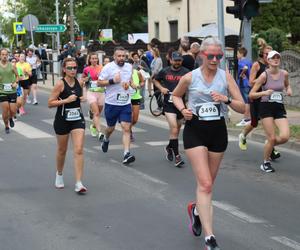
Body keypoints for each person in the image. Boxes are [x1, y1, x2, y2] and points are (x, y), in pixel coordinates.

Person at [172, 37, 245, 250]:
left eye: (218, 56)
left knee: (209, 184)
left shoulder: (226, 77)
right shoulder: (189, 77)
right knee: (204, 184)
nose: (214, 59)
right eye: (210, 55)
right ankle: (210, 237)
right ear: (202, 55)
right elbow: (175, 96)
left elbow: (243, 108)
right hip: (195, 131)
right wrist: (183, 109)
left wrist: (226, 100)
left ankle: (196, 210)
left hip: (217, 132)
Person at [48, 57, 87, 193]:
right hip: (62, 120)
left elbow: (81, 97)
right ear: (64, 69)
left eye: (74, 67)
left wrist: (83, 97)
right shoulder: (60, 84)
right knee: (62, 150)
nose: (72, 70)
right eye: (69, 68)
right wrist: (65, 100)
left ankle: (79, 183)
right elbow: (50, 103)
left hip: (77, 118)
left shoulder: (80, 82)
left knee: (79, 149)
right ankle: (59, 174)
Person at [238, 39, 281, 160]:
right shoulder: (257, 65)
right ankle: (243, 135)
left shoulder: (272, 66)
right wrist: (263, 79)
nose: (269, 56)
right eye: (267, 54)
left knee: (269, 122)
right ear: (262, 54)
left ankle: (271, 151)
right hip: (256, 96)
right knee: (254, 123)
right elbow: (251, 82)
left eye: (271, 54)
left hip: (268, 98)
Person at [249, 51, 292, 173]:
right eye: (273, 58)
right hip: (266, 107)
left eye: (278, 57)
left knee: (285, 137)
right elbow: (251, 94)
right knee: (272, 137)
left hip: (279, 107)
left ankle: (269, 144)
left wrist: (289, 90)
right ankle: (265, 162)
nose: (276, 59)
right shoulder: (264, 75)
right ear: (268, 60)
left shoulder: (284, 74)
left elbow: (287, 86)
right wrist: (264, 93)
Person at [98, 46, 135, 164]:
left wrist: (130, 85)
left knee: (126, 128)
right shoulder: (108, 67)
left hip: (125, 103)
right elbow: (99, 83)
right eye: (119, 56)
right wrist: (112, 81)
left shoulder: (129, 66)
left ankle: (126, 154)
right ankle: (106, 138)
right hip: (111, 103)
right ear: (114, 57)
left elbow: (129, 80)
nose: (121, 58)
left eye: (123, 56)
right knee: (110, 128)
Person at [154, 51, 190, 167]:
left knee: (176, 130)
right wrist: (161, 88)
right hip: (168, 105)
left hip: (180, 105)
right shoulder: (165, 71)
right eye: (175, 60)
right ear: (171, 60)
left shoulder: (186, 72)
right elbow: (155, 79)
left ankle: (169, 147)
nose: (177, 62)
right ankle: (177, 157)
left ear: (182, 61)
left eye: (179, 60)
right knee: (174, 128)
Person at [82, 53, 104, 141]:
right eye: (93, 58)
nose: (94, 60)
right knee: (97, 113)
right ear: (90, 60)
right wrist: (85, 79)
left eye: (96, 58)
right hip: (91, 92)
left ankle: (93, 126)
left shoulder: (102, 68)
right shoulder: (86, 69)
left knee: (98, 112)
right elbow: (83, 79)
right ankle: (100, 132)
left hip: (101, 92)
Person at [0, 48, 19, 133]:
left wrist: (16, 82)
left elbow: (18, 76)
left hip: (12, 91)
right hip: (2, 91)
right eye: (3, 54)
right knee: (5, 110)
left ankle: (11, 117)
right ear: (0, 55)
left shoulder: (12, 65)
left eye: (6, 55)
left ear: (8, 56)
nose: (4, 56)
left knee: (13, 110)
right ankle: (6, 126)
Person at [128, 58, 145, 142]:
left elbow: (142, 82)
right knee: (129, 116)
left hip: (136, 97)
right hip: (126, 98)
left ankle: (129, 128)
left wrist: (139, 85)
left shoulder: (137, 73)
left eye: (130, 65)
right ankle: (129, 132)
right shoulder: (123, 74)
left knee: (135, 119)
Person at [235, 47, 252, 126]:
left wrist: (242, 74)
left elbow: (245, 68)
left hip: (243, 83)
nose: (237, 55)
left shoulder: (241, 62)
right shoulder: (249, 61)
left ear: (241, 54)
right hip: (248, 83)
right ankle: (249, 117)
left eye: (238, 53)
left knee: (246, 102)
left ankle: (246, 118)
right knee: (248, 101)